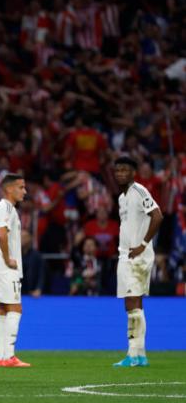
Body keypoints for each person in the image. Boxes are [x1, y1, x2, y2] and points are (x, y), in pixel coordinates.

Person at [112, 157, 163, 367]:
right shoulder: (122, 198)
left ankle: (132, 355)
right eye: (118, 171)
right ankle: (140, 354)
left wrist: (143, 244)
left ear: (134, 172)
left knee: (131, 303)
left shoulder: (139, 190)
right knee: (136, 304)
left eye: (125, 170)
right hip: (126, 254)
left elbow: (158, 215)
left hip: (137, 255)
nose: (121, 174)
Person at [0, 174, 31, 367]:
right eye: (21, 187)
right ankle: (9, 356)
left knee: (1, 308)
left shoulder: (2, 208)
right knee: (15, 307)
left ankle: (0, 356)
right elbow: (1, 233)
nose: (24, 191)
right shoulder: (5, 207)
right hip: (5, 266)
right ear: (9, 189)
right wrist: (8, 259)